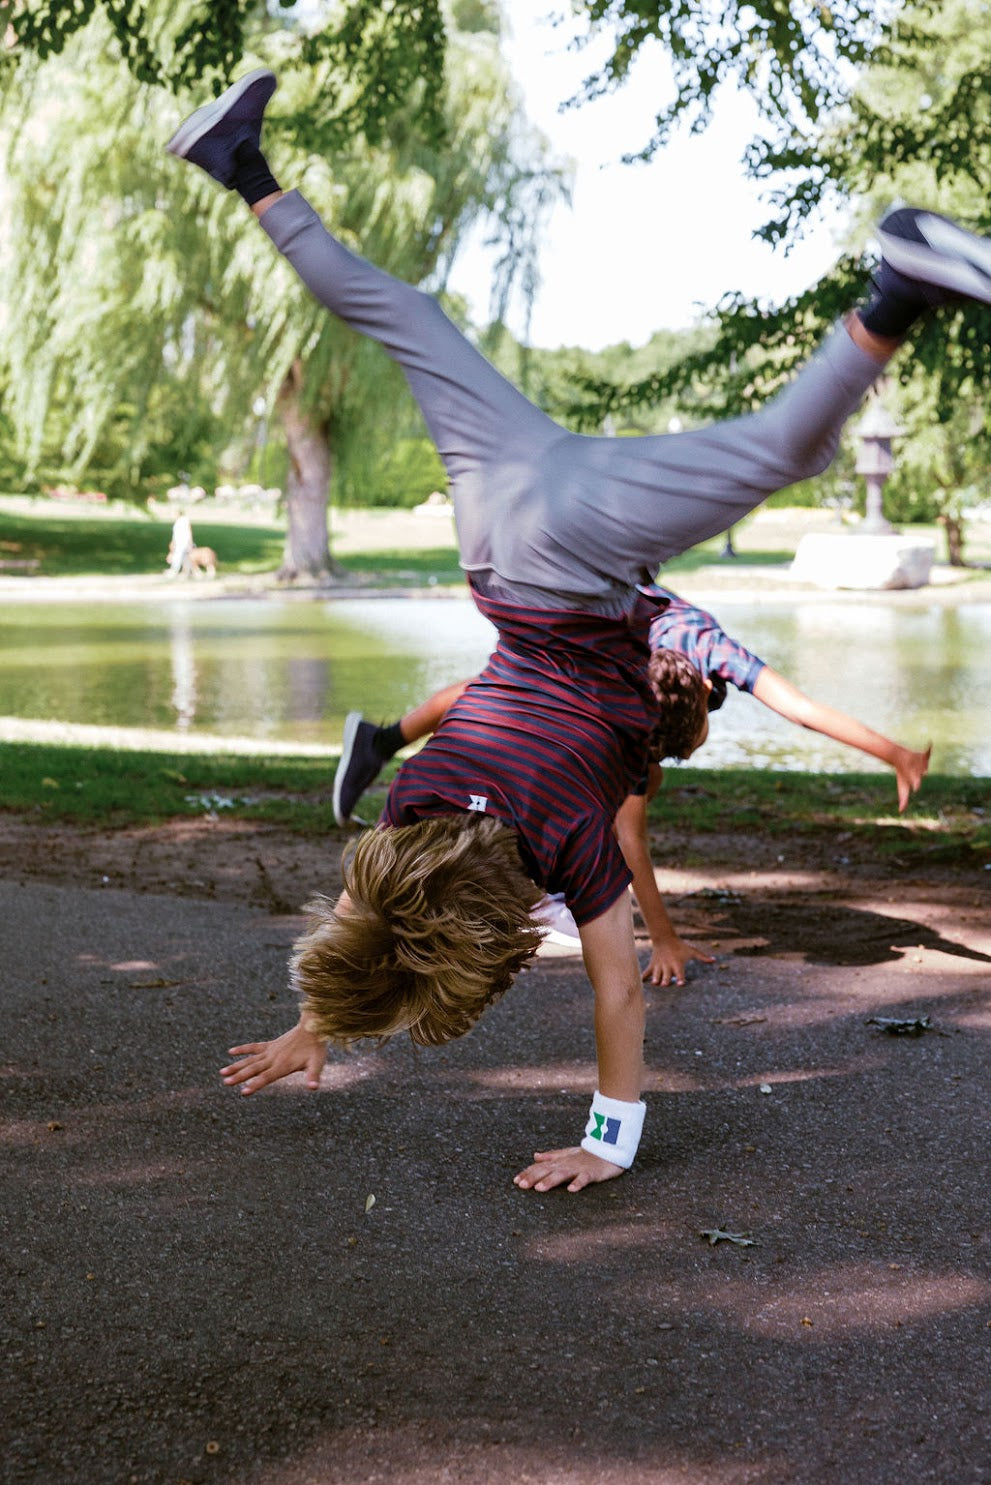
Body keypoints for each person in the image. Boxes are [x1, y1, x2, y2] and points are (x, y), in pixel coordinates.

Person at [167, 68, 991, 1193]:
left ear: (501, 933)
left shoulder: (567, 842)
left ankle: (896, 285)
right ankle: (237, 163)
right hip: (497, 532)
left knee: (779, 453)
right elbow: (366, 910)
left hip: (565, 551)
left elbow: (614, 991)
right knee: (398, 311)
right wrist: (318, 1018)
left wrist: (608, 1145)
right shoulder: (401, 821)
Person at [331, 586, 931, 981]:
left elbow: (798, 709)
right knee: (498, 701)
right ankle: (385, 745)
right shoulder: (627, 691)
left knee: (500, 704)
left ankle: (381, 743)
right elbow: (630, 837)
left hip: (611, 642)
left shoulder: (707, 648)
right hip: (585, 631)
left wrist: (895, 754)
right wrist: (663, 941)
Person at [166, 509, 195, 578]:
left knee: (178, 556)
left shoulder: (185, 520)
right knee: (184, 557)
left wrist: (190, 541)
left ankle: (175, 570)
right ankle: (188, 571)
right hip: (178, 541)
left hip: (184, 541)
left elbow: (189, 531)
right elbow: (175, 534)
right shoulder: (177, 521)